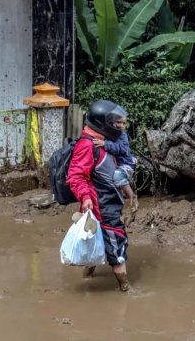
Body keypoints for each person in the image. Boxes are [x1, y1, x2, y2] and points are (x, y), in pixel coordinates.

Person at [67, 100, 131, 291]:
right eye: (115, 123)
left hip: (105, 203)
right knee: (116, 243)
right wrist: (85, 197)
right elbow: (76, 176)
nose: (119, 126)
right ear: (104, 124)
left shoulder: (104, 141)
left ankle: (87, 279)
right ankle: (126, 288)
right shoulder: (87, 145)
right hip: (102, 206)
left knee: (92, 243)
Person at [93, 113, 138, 223]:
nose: (121, 125)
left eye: (124, 123)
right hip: (117, 165)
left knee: (117, 176)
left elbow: (121, 149)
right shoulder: (110, 133)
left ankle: (132, 196)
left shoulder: (122, 135)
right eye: (118, 122)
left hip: (125, 164)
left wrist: (105, 144)